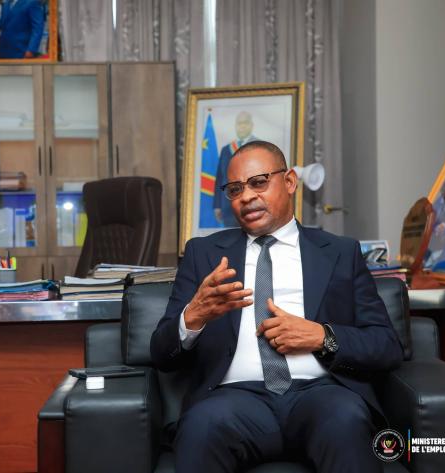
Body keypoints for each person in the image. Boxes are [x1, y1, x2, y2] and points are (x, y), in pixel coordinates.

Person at [150, 141, 403, 473]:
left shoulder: (340, 252)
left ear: (290, 182)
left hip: (321, 395)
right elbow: (161, 354)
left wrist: (322, 337)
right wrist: (192, 318)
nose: (246, 197)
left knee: (345, 419)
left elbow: (386, 346)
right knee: (201, 426)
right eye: (235, 189)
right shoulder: (204, 254)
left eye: (259, 182)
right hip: (233, 399)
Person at [214, 111, 260, 227]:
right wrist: (217, 205)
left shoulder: (260, 147)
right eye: (239, 123)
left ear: (252, 125)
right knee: (231, 237)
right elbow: (220, 178)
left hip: (252, 203)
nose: (242, 126)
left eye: (245, 123)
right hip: (228, 206)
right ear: (235, 126)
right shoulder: (226, 150)